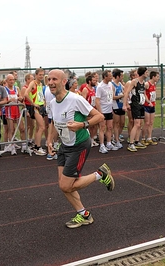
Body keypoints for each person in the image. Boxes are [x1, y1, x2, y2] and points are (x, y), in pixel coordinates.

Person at [46, 69, 115, 229]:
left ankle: (100, 174)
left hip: (79, 145)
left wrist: (82, 125)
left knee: (66, 185)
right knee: (64, 185)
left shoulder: (75, 99)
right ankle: (84, 214)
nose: (50, 82)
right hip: (64, 146)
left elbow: (99, 116)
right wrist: (50, 141)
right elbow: (53, 123)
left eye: (54, 79)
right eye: (48, 80)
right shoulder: (52, 103)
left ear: (64, 81)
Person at [122, 67, 148, 152]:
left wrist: (148, 102)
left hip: (141, 104)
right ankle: (131, 143)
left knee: (140, 124)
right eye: (146, 72)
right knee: (136, 124)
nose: (147, 74)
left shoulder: (143, 82)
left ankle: (137, 141)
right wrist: (125, 105)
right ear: (143, 73)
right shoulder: (134, 82)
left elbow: (143, 94)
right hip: (135, 104)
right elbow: (126, 93)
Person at [23, 68, 47, 156]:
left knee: (38, 128)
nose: (41, 76)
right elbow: (26, 94)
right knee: (42, 127)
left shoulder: (40, 84)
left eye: (42, 74)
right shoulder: (33, 83)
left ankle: (37, 146)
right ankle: (37, 147)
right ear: (36, 75)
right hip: (35, 108)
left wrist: (43, 101)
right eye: (40, 74)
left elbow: (39, 95)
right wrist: (33, 103)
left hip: (41, 107)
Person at [95, 70, 119, 153]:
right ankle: (102, 145)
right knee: (102, 128)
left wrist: (111, 108)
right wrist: (100, 112)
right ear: (105, 77)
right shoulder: (100, 87)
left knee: (110, 127)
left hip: (109, 110)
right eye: (109, 76)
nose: (111, 77)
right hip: (103, 111)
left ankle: (109, 143)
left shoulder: (110, 84)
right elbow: (97, 101)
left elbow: (110, 98)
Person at [4, 74, 26, 155]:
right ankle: (12, 146)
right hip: (9, 111)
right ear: (6, 81)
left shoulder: (16, 88)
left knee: (22, 128)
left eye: (13, 79)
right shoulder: (5, 89)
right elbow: (5, 100)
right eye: (10, 80)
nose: (12, 81)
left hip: (17, 110)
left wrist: (20, 99)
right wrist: (10, 100)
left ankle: (24, 145)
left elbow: (21, 98)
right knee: (11, 129)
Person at [142, 71, 160, 146]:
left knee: (151, 122)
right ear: (153, 77)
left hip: (152, 105)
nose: (158, 78)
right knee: (147, 122)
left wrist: (152, 102)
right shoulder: (147, 84)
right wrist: (148, 101)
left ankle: (149, 138)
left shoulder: (154, 84)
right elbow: (144, 93)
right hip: (146, 105)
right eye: (157, 76)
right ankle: (143, 138)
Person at [80, 74, 98, 147]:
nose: (95, 82)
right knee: (89, 125)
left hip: (93, 108)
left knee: (94, 125)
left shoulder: (93, 89)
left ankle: (92, 139)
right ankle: (88, 140)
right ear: (89, 81)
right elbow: (83, 100)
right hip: (88, 110)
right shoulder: (85, 89)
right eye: (93, 80)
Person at [111, 68, 125, 149]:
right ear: (117, 76)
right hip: (115, 107)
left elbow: (125, 91)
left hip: (121, 106)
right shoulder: (112, 85)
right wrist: (122, 95)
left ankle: (117, 136)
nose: (122, 77)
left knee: (122, 123)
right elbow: (113, 97)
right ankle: (116, 140)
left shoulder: (120, 84)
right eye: (121, 76)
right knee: (116, 124)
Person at [21, 73, 35, 148]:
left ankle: (30, 139)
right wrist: (25, 110)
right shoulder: (24, 88)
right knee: (28, 125)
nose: (33, 81)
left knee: (32, 125)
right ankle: (25, 140)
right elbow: (22, 100)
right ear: (27, 80)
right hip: (27, 107)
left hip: (32, 106)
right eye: (32, 79)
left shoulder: (32, 87)